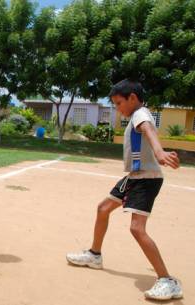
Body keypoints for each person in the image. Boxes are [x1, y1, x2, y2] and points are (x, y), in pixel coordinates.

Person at [66, 79, 183, 300]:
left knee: (137, 229)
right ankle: (94, 254)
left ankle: (168, 280)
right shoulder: (136, 115)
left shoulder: (140, 114)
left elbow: (148, 131)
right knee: (103, 208)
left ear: (132, 98)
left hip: (146, 178)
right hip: (134, 176)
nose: (118, 109)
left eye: (119, 103)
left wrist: (159, 153)